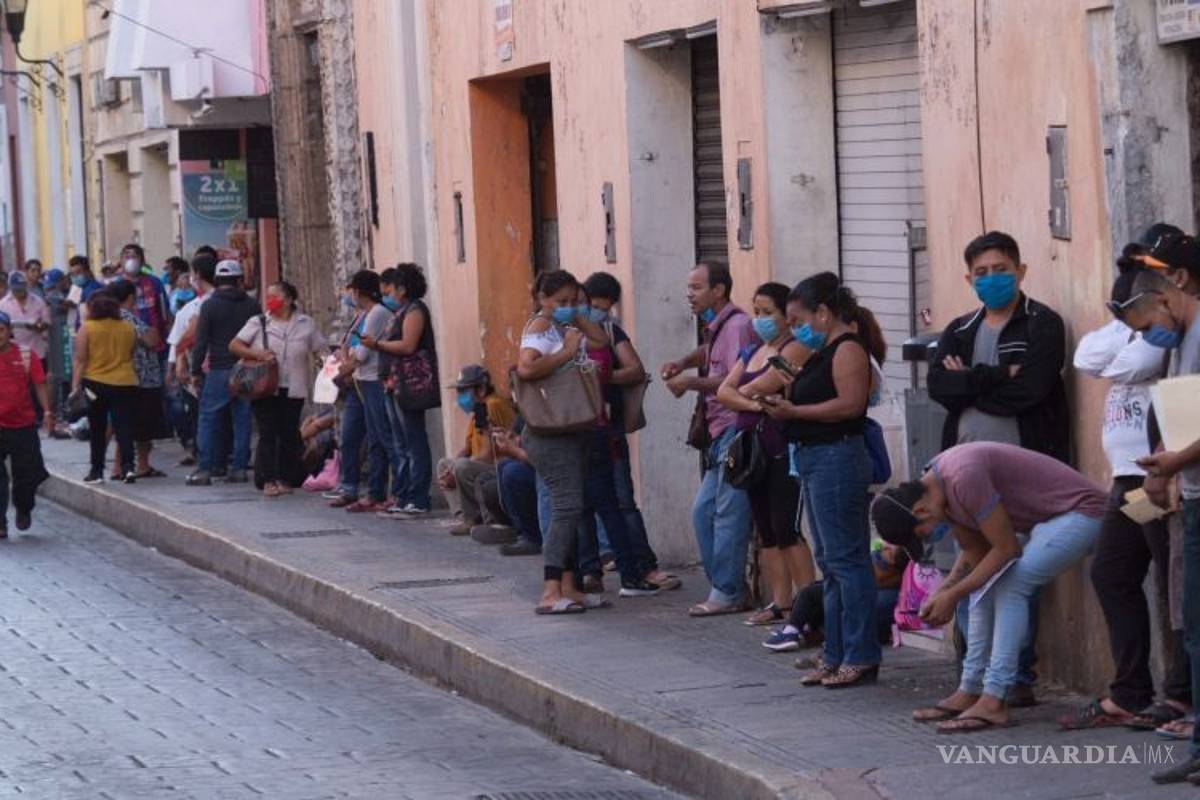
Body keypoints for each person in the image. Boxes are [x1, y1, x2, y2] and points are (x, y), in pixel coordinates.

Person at [873, 442, 1107, 733]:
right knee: (983, 587)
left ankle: (995, 699)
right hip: (1047, 523)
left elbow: (1006, 549)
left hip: (1084, 512)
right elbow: (975, 551)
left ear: (920, 509)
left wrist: (952, 594)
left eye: (921, 533)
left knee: (1011, 584)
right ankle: (971, 688)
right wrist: (943, 591)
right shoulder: (938, 485)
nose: (930, 536)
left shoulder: (962, 476)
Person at [927, 230, 1067, 706]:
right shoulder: (960, 330)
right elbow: (939, 389)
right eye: (982, 274)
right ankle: (974, 674)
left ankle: (1013, 679)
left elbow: (1031, 391)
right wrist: (992, 376)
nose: (992, 280)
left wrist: (967, 380)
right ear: (969, 278)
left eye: (1001, 270)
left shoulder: (1042, 325)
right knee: (971, 572)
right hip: (963, 482)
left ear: (1021, 271)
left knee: (1013, 576)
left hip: (1023, 476)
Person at [1060, 255, 1191, 731]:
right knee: (1113, 573)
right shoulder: (1131, 324)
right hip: (1127, 478)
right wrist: (1125, 330)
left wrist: (1130, 343)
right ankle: (1131, 691)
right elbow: (1086, 358)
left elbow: (1139, 361)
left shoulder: (1175, 326)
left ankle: (1180, 695)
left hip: (1157, 476)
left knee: (1176, 587)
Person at [753, 273, 878, 689]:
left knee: (847, 560)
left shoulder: (848, 350)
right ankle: (835, 651)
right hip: (812, 457)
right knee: (831, 561)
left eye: (798, 318)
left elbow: (849, 405)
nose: (794, 328)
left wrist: (794, 414)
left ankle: (859, 655)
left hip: (837, 457)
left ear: (823, 312)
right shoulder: (814, 351)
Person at [1106, 269, 1200, 784]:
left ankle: (1180, 699)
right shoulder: (1178, 343)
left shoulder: (1190, 335)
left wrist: (1170, 462)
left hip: (1173, 486)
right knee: (1177, 602)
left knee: (1185, 604)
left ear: (1167, 294)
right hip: (1164, 484)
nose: (1143, 339)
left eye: (1145, 324)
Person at [714, 281, 816, 625]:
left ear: (786, 316)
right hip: (751, 451)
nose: (760, 319)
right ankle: (780, 602)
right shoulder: (752, 350)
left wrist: (746, 395)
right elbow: (726, 392)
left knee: (787, 527)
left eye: (767, 312)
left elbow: (766, 384)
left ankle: (807, 603)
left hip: (781, 449)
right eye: (756, 312)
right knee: (766, 531)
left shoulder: (796, 348)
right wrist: (753, 403)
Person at [661, 263, 755, 616]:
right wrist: (683, 362)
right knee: (703, 512)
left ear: (719, 290)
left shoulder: (740, 326)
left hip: (735, 428)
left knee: (728, 512)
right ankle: (728, 586)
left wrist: (690, 384)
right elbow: (708, 354)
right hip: (717, 431)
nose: (690, 294)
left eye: (697, 288)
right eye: (689, 288)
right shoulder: (717, 326)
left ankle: (727, 592)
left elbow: (738, 379)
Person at [517, 269, 610, 614]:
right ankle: (550, 589)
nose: (569, 307)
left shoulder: (563, 326)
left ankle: (570, 586)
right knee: (566, 507)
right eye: (561, 302)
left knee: (573, 508)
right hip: (549, 434)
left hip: (572, 430)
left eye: (574, 301)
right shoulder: (540, 327)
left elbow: (601, 341)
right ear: (543, 300)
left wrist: (578, 320)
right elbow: (526, 369)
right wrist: (566, 353)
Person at [582, 272, 680, 591]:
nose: (599, 313)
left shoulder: (610, 330)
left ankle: (640, 565)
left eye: (605, 307)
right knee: (585, 504)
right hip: (578, 430)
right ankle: (593, 567)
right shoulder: (568, 334)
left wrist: (601, 376)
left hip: (608, 428)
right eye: (594, 306)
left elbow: (635, 369)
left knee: (621, 499)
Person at [230, 281, 326, 497]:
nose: (270, 300)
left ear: (289, 300)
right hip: (264, 387)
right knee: (267, 431)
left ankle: (285, 477)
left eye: (275, 296)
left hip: (294, 386)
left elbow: (320, 349)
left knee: (289, 432)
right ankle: (267, 479)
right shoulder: (259, 322)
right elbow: (235, 345)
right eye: (268, 296)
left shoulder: (305, 324)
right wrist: (257, 355)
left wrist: (328, 365)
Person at [367, 263, 438, 517]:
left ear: (403, 288)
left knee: (413, 440)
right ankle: (404, 494)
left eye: (393, 289)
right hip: (393, 384)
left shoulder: (415, 311)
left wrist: (377, 345)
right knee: (400, 442)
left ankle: (419, 497)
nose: (390, 295)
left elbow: (408, 346)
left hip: (409, 385)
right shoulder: (401, 312)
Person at [328, 269, 400, 512]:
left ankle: (395, 491)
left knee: (383, 437)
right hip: (363, 380)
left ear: (358, 292)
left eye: (353, 291)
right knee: (371, 438)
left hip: (372, 380)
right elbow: (351, 345)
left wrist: (342, 371)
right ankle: (373, 491)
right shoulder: (365, 314)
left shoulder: (377, 313)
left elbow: (363, 352)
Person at [187, 260, 260, 486]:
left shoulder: (209, 306)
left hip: (219, 369)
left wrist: (195, 369)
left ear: (217, 281)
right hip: (246, 369)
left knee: (208, 418)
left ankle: (205, 468)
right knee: (242, 419)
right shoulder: (252, 305)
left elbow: (200, 342)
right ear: (239, 280)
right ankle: (239, 468)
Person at [763, 540, 907, 652]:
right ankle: (800, 629)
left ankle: (793, 631)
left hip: (855, 602)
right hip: (851, 606)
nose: (885, 547)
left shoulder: (888, 572)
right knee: (815, 593)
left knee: (811, 594)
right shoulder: (893, 572)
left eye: (889, 547)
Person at [436, 365, 515, 534]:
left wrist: (458, 470)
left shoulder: (493, 405)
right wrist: (451, 470)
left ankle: (475, 519)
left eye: (465, 391)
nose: (461, 397)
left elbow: (488, 455)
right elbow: (467, 448)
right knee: (445, 464)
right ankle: (463, 515)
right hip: (481, 463)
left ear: (481, 389)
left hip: (498, 464)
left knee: (463, 467)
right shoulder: (478, 410)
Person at [72, 291, 138, 484]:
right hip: (125, 382)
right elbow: (131, 353)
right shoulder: (127, 328)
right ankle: (128, 468)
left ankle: (97, 470)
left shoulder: (88, 328)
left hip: (96, 383)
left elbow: (80, 359)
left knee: (98, 429)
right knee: (124, 427)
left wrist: (75, 386)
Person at [0, 311, 53, 537]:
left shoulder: (25, 355)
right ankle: (0, 523)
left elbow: (40, 385)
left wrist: (49, 412)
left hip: (23, 424)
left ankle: (23, 508)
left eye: (1, 329)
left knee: (27, 475)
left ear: (9, 331)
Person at [109, 280, 167, 479]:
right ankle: (137, 465)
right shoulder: (129, 319)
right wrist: (153, 332)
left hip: (120, 378)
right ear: (131, 297)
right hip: (141, 379)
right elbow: (152, 340)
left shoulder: (107, 319)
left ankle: (120, 466)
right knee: (141, 426)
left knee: (124, 424)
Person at [167, 255, 216, 467]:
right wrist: (176, 363)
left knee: (202, 416)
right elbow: (177, 341)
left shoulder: (201, 307)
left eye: (193, 275)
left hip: (204, 370)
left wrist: (178, 365)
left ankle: (207, 457)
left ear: (198, 275)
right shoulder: (189, 307)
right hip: (204, 369)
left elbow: (182, 339)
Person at [118, 244, 172, 352]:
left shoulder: (154, 282)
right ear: (121, 261)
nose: (131, 260)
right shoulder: (116, 285)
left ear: (142, 261)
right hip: (128, 347)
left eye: (134, 256)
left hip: (157, 344)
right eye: (127, 257)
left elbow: (165, 313)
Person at [0, 271, 50, 364]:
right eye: (15, 290)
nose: (18, 293)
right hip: (12, 352)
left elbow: (46, 323)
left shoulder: (38, 301)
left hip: (36, 351)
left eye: (21, 289)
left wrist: (39, 326)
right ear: (10, 287)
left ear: (26, 286)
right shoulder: (2, 304)